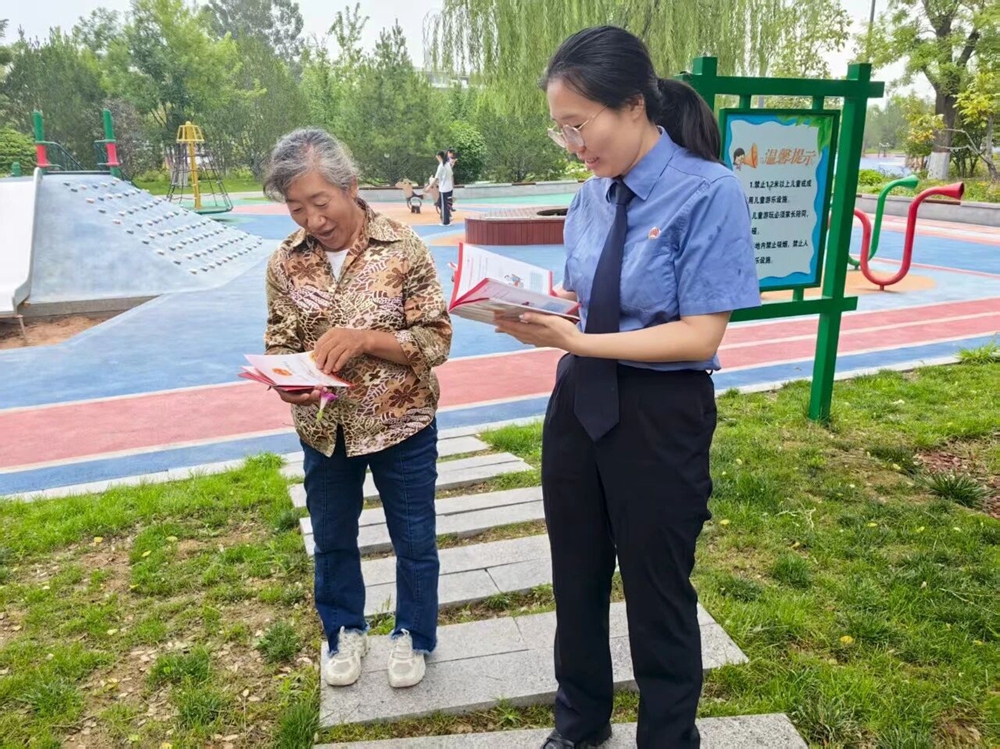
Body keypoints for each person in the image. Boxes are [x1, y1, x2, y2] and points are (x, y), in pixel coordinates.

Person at [495, 26, 761, 748]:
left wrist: (579, 340)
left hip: (659, 413)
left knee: (657, 589)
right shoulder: (589, 198)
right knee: (575, 576)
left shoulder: (707, 191)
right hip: (579, 403)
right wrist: (538, 307)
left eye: (580, 125)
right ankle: (580, 722)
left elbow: (700, 334)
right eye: (561, 131)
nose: (574, 145)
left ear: (634, 105)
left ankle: (668, 737)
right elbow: (591, 298)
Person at [262, 128, 453, 690]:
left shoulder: (403, 247)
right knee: (331, 540)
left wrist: (366, 339)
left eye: (320, 202)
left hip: (402, 425)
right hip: (324, 431)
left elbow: (436, 338)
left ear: (350, 186)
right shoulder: (285, 262)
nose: (313, 220)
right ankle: (343, 630)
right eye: (297, 208)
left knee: (414, 541)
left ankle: (413, 634)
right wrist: (287, 381)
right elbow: (280, 340)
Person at [428, 150, 454, 226]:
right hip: (449, 188)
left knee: (444, 205)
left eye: (437, 157)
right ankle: (449, 216)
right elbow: (451, 176)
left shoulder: (441, 166)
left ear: (439, 156)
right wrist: (452, 186)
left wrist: (429, 187)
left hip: (444, 189)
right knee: (440, 203)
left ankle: (446, 222)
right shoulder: (447, 164)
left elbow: (436, 178)